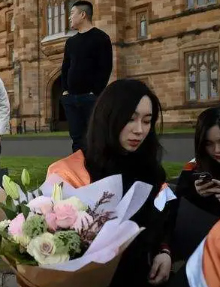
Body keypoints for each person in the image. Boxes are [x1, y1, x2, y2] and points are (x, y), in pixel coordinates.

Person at [47, 79, 174, 286]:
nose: (139, 130)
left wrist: (164, 250)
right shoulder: (70, 173)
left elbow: (165, 214)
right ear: (108, 118)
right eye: (130, 119)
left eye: (147, 120)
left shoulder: (153, 172)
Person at [59, 0, 113, 152]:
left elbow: (105, 68)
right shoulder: (71, 42)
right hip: (71, 99)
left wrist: (94, 92)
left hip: (90, 98)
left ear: (83, 15)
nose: (69, 17)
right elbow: (65, 67)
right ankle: (79, 174)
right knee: (77, 140)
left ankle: (96, 172)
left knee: (94, 138)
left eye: (72, 13)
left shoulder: (101, 38)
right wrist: (65, 91)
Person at [176, 106, 220, 216]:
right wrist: (194, 194)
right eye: (208, 144)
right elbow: (175, 213)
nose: (217, 150)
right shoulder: (192, 169)